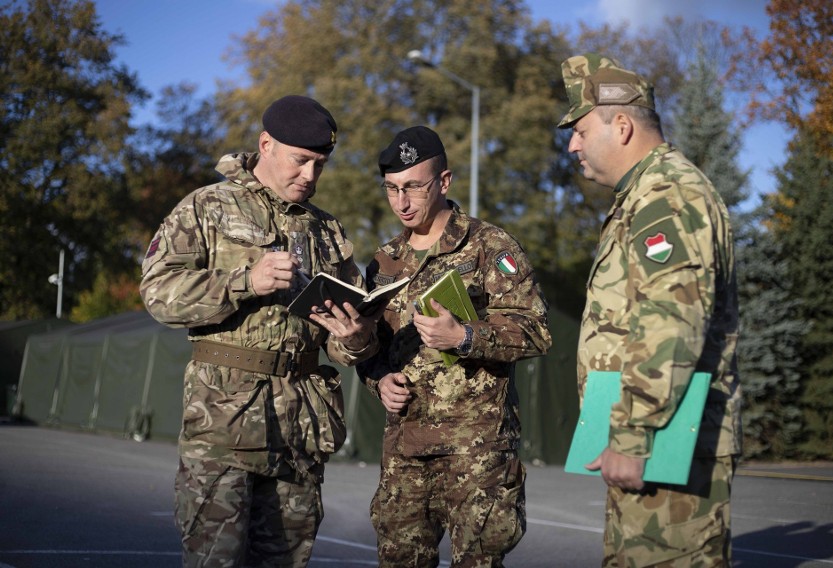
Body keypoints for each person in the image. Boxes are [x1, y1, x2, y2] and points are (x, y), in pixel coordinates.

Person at [139, 95, 379, 567]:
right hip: (224, 424)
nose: (310, 176)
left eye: (320, 164)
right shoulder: (207, 207)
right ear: (266, 145)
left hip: (302, 427)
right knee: (216, 560)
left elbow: (346, 338)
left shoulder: (327, 231)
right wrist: (244, 281)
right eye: (301, 160)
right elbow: (157, 293)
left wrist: (354, 338)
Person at [557, 53, 742, 567]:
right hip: (654, 442)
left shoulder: (669, 194)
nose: (572, 144)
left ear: (621, 126)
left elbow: (672, 320)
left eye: (579, 129)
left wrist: (635, 434)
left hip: (666, 447)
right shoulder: (643, 195)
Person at [356, 126, 552, 567]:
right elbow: (371, 350)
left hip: (476, 452)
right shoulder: (384, 262)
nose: (401, 202)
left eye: (413, 188)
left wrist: (464, 336)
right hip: (405, 450)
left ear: (444, 182)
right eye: (391, 189)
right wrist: (377, 380)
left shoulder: (489, 246)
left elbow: (536, 329)